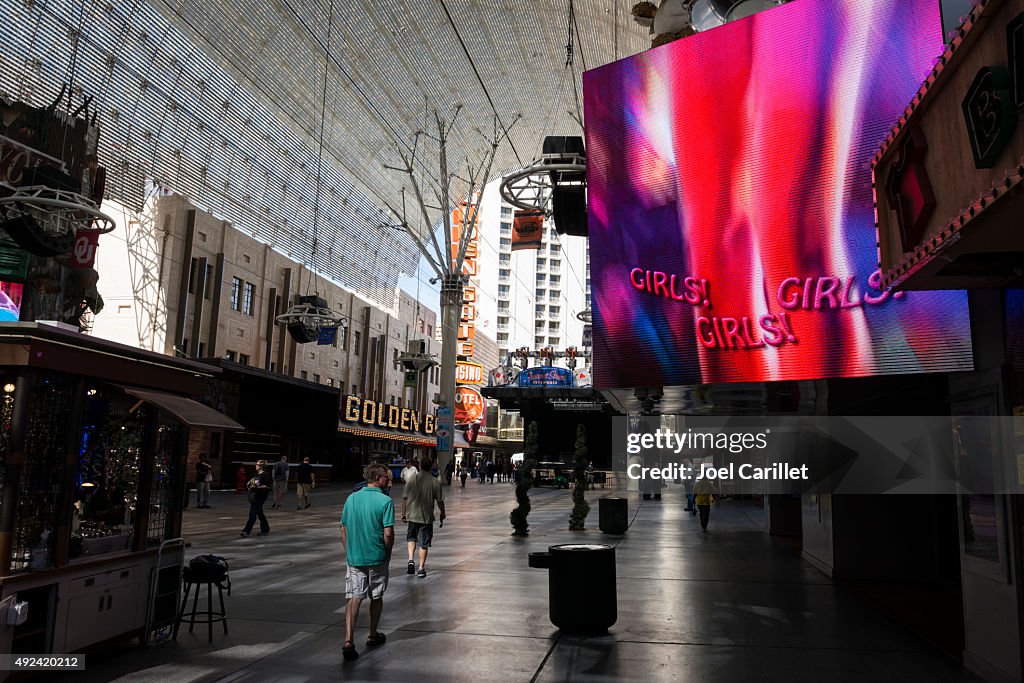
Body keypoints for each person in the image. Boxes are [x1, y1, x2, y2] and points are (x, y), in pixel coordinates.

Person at [340, 463, 395, 661]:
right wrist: (388, 553)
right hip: (377, 556)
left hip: (355, 557)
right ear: (379, 479)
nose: (389, 479)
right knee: (376, 596)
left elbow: (343, 529)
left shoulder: (351, 498)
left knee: (354, 597)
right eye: (387, 477)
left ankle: (348, 640)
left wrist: (349, 552)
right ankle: (372, 634)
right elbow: (388, 533)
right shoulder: (386, 501)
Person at [402, 458, 445, 578]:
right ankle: (421, 568)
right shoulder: (434, 482)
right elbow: (440, 501)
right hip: (426, 517)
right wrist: (442, 513)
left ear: (420, 466)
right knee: (424, 543)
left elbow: (405, 498)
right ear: (431, 467)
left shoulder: (411, 479)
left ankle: (410, 559)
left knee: (411, 538)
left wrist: (403, 513)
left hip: (412, 515)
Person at [240, 460, 272, 536]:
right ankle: (265, 529)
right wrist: (249, 484)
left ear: (261, 466)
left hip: (261, 496)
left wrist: (256, 487)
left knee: (252, 513)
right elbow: (252, 481)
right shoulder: (256, 474)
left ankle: (246, 531)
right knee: (260, 513)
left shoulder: (265, 475)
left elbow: (266, 486)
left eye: (257, 464)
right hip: (254, 496)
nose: (256, 465)